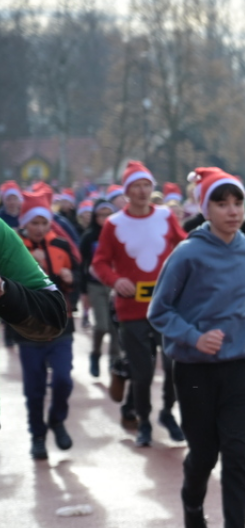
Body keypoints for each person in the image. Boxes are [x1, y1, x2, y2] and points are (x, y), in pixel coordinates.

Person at [149, 166, 245, 528]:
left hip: (240, 365)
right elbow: (159, 311)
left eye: (237, 201)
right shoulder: (187, 254)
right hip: (195, 369)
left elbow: (243, 294)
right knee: (204, 454)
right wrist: (194, 337)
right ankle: (191, 500)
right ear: (206, 208)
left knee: (237, 451)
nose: (232, 210)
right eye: (221, 203)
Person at [91, 160, 187, 447]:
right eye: (136, 186)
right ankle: (143, 420)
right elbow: (100, 262)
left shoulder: (166, 217)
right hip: (131, 309)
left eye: (147, 185)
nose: (143, 191)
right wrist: (115, 280)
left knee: (173, 366)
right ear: (127, 192)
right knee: (142, 371)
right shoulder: (113, 223)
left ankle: (168, 414)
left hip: (166, 306)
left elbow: (184, 247)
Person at [15, 191, 79, 460]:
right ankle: (37, 436)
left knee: (64, 379)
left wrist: (70, 277)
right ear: (25, 224)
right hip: (28, 326)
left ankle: (57, 420)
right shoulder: (14, 247)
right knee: (35, 387)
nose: (40, 229)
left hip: (60, 323)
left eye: (44, 223)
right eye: (34, 223)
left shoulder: (62, 245)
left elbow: (77, 278)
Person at [79, 199, 120, 379]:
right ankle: (95, 353)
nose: (104, 218)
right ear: (95, 217)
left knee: (116, 327)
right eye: (101, 215)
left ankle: (114, 360)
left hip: (115, 286)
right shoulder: (89, 237)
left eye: (108, 214)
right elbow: (81, 265)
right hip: (95, 286)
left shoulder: (119, 234)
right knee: (102, 325)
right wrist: (83, 292)